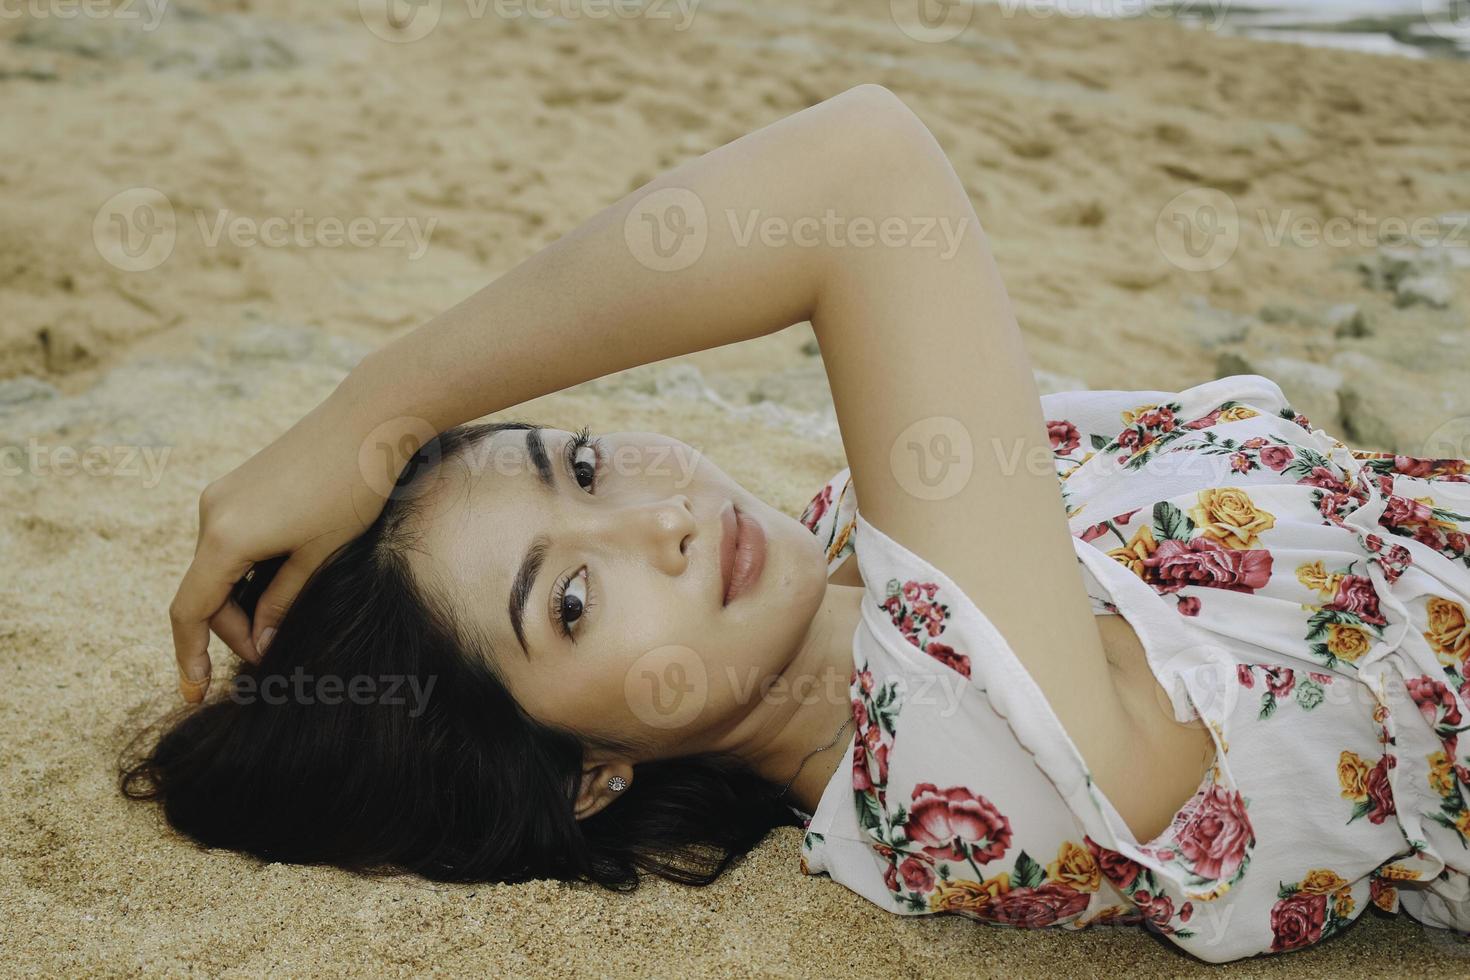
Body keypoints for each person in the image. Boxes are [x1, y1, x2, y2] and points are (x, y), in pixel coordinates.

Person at [131, 85, 1470, 961]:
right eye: (571, 602)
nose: (653, 520)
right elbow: (863, 174)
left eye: (586, 462)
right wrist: (369, 413)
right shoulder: (960, 739)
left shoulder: (858, 538)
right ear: (587, 773)